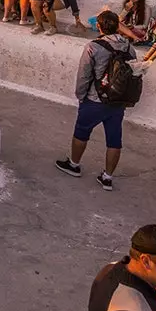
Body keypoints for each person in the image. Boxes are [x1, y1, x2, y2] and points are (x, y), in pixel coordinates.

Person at [56, 11, 135, 191]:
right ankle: (107, 177)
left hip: (95, 98)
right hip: (117, 100)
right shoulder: (129, 47)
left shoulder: (93, 47)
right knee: (114, 139)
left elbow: (84, 74)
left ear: (99, 26)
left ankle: (74, 164)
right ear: (117, 26)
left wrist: (80, 95)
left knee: (82, 132)